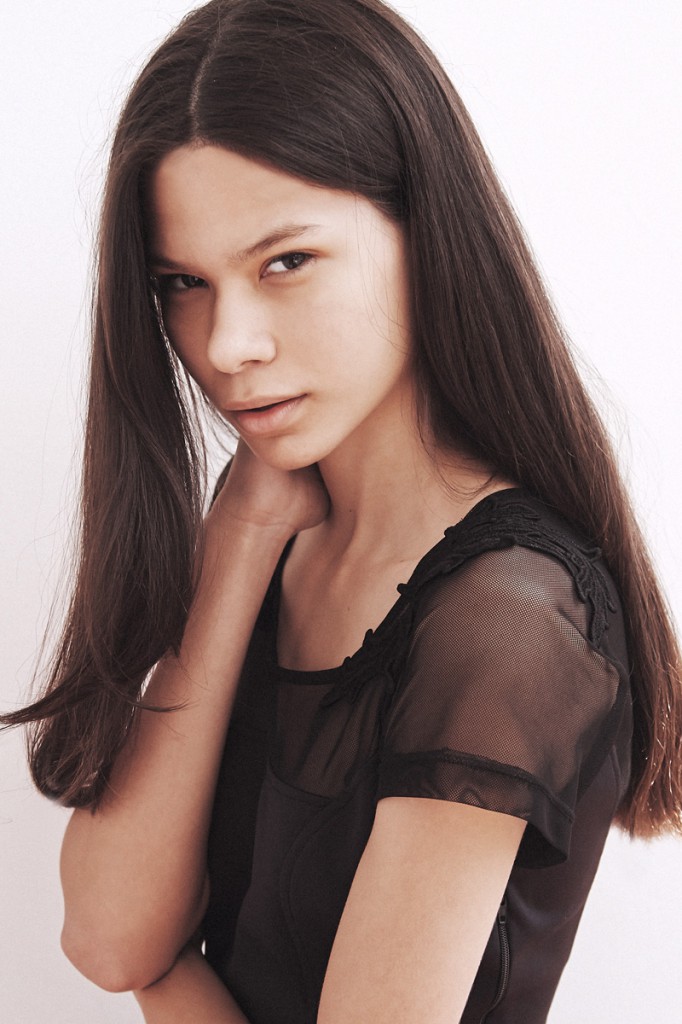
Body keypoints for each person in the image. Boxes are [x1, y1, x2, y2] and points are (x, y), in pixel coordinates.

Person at [3, 0, 681, 1021]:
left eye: (285, 262)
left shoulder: (509, 615)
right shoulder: (269, 535)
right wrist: (239, 535)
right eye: (182, 282)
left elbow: (137, 949)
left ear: (425, 232)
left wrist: (167, 972)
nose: (227, 345)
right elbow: (105, 933)